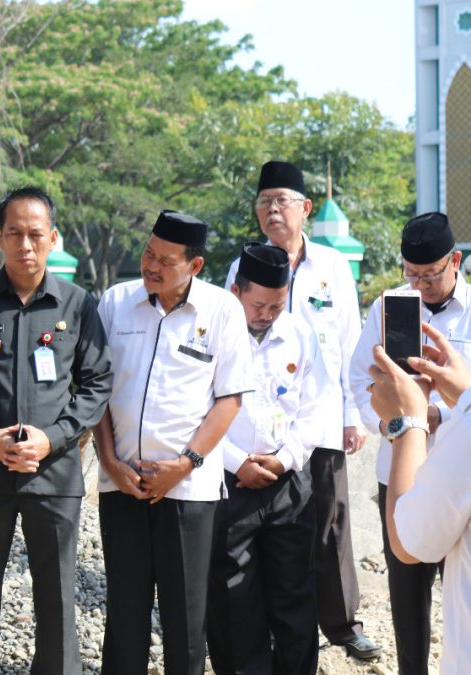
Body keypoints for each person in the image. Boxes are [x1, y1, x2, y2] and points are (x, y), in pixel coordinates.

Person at [0, 187, 113, 674]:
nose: (25, 245)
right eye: (15, 233)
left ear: (53, 238)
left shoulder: (77, 305)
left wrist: (53, 438)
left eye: (36, 234)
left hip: (52, 475)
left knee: (56, 593)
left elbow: (97, 384)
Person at [224, 161, 379, 660]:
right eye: (264, 201)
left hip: (321, 413)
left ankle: (340, 622)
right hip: (258, 426)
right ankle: (274, 621)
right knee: (269, 525)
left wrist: (353, 412)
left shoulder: (331, 266)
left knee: (328, 519)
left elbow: (351, 341)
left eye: (282, 200)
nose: (272, 209)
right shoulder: (242, 266)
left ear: (305, 209)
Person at [93, 210, 252, 675]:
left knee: (184, 618)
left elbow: (229, 400)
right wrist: (109, 461)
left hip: (188, 493)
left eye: (166, 260)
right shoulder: (115, 302)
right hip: (120, 484)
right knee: (124, 614)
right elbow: (97, 391)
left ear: (194, 266)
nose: (151, 266)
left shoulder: (222, 310)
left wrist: (186, 464)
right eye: (148, 252)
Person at [348, 212, 471, 674]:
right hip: (402, 475)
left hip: (470, 480)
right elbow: (358, 378)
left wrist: (426, 415)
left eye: (430, 274)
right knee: (406, 595)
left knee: (468, 588)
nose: (420, 284)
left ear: (455, 261)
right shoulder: (387, 306)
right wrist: (389, 412)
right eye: (410, 273)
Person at [207, 243, 330, 675]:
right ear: (237, 291)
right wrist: (237, 460)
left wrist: (285, 459)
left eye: (276, 305)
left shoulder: (298, 333)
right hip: (228, 483)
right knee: (233, 600)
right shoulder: (211, 334)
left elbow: (316, 407)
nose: (266, 314)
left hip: (288, 482)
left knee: (295, 597)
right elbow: (194, 411)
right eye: (258, 304)